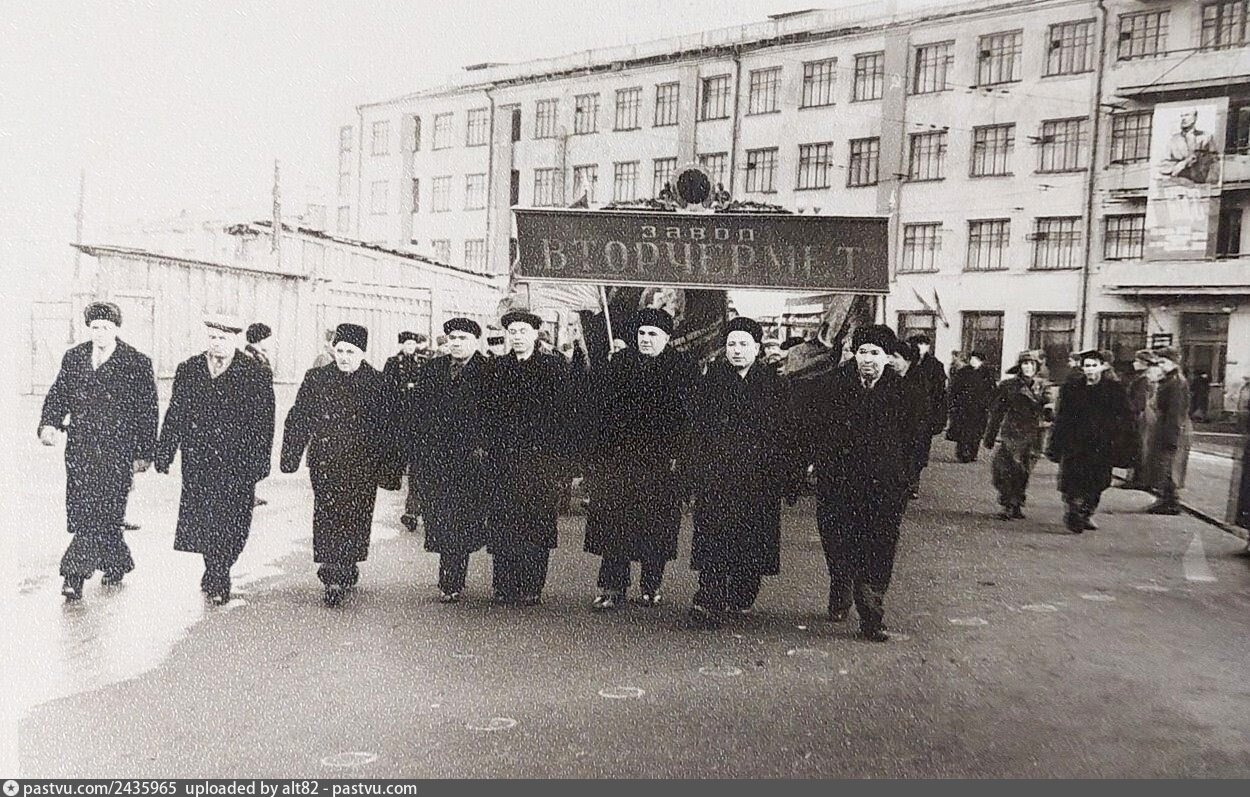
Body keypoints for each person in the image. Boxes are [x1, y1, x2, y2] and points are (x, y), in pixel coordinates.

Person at [798, 324, 922, 642]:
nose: (867, 359)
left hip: (884, 485)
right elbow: (811, 427)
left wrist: (906, 477)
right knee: (837, 540)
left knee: (879, 545)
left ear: (887, 356)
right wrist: (814, 460)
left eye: (875, 353)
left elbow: (916, 439)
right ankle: (840, 583)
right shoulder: (832, 385)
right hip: (838, 482)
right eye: (862, 352)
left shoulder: (905, 392)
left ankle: (871, 611)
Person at [39, 301, 159, 601]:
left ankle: (73, 575)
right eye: (95, 328)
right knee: (88, 510)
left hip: (118, 452)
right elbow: (59, 394)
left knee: (102, 512)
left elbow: (148, 411)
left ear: (116, 328)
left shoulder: (136, 362)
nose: (100, 333)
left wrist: (144, 452)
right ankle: (117, 562)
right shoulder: (75, 357)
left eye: (106, 327)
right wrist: (49, 424)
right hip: (80, 450)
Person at [154, 316, 275, 605]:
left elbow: (264, 422)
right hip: (199, 459)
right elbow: (176, 412)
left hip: (238, 462)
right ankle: (217, 570)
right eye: (212, 337)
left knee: (233, 521)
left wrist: (260, 461)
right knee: (205, 518)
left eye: (223, 338)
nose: (216, 343)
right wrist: (165, 450)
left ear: (235, 340)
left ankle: (222, 566)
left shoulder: (254, 372)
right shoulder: (190, 369)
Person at [280, 323, 402, 606]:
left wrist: (390, 469)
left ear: (362, 353)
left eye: (350, 352)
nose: (344, 357)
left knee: (356, 516)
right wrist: (291, 456)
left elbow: (392, 428)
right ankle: (331, 573)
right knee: (327, 514)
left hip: (363, 465)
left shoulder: (378, 382)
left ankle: (347, 562)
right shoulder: (317, 378)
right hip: (326, 462)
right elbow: (299, 417)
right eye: (340, 351)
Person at [584, 308, 697, 612]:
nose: (646, 339)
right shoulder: (619, 363)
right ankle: (612, 586)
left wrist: (680, 455)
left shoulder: (682, 368)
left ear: (667, 338)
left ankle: (651, 585)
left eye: (653, 334)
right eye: (642, 333)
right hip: (620, 459)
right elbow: (601, 410)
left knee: (656, 525)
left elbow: (689, 419)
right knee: (615, 524)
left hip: (661, 461)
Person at [687, 316, 796, 628]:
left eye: (743, 344)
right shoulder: (710, 383)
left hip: (758, 479)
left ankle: (742, 592)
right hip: (718, 476)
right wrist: (694, 472)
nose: (736, 350)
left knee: (751, 539)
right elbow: (696, 430)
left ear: (757, 348)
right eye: (731, 344)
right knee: (714, 536)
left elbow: (786, 434)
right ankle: (708, 597)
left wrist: (787, 477)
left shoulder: (774, 385)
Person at [483, 309, 570, 605]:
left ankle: (532, 585)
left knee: (536, 522)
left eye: (523, 331)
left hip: (539, 460)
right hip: (505, 459)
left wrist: (559, 459)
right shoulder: (496, 368)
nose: (517, 337)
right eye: (513, 332)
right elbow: (487, 412)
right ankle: (504, 584)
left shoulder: (553, 368)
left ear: (535, 334)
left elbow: (563, 415)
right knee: (504, 522)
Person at [411, 318, 492, 602]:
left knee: (462, 519)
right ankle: (450, 577)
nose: (456, 343)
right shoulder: (433, 369)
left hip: (471, 460)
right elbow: (417, 411)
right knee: (441, 517)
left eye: (463, 338)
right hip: (437, 459)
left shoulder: (488, 372)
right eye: (453, 338)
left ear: (476, 342)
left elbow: (495, 414)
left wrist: (483, 445)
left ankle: (453, 579)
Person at [1046, 350, 1135, 533]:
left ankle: (1086, 512)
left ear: (1102, 367)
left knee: (1098, 480)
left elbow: (1125, 417)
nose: (1090, 369)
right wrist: (1056, 442)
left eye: (1094, 365)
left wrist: (1122, 440)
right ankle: (1073, 510)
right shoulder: (1071, 388)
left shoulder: (1114, 390)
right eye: (1087, 366)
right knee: (1072, 479)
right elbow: (1062, 416)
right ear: (1082, 368)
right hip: (1075, 442)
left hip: (1101, 444)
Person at [983, 350, 1048, 521]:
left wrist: (1048, 409)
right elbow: (997, 412)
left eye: (1032, 364)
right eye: (1025, 364)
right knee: (1003, 469)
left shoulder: (1043, 387)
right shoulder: (1008, 386)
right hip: (1012, 432)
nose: (1028, 367)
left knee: (1023, 471)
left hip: (1034, 434)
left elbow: (1051, 412)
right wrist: (990, 436)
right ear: (1020, 366)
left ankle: (1016, 503)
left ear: (1037, 367)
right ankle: (1007, 503)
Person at [385, 331, 430, 531]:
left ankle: (414, 510)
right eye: (407, 344)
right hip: (401, 418)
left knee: (418, 467)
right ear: (402, 345)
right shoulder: (393, 362)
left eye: (413, 344)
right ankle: (412, 508)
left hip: (420, 421)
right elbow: (387, 389)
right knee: (408, 463)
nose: (410, 347)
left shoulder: (423, 362)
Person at [1143, 347, 1191, 515]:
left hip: (1172, 427)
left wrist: (1172, 437)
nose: (1160, 366)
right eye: (1159, 362)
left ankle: (1171, 502)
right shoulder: (1169, 380)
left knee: (1169, 466)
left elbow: (1175, 412)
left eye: (1163, 362)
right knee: (1162, 465)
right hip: (1165, 425)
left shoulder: (1176, 382)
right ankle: (1165, 499)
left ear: (1174, 363)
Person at [906, 334, 948, 498]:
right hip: (907, 414)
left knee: (920, 451)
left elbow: (940, 395)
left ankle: (913, 483)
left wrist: (939, 419)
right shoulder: (905, 362)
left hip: (926, 416)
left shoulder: (935, 365)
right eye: (918, 344)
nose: (921, 347)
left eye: (924, 344)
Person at [241, 321, 275, 507]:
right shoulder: (249, 358)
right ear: (260, 339)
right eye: (268, 338)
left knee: (258, 453)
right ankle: (245, 494)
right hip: (254, 415)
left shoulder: (259, 356)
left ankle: (250, 492)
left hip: (263, 413)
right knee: (250, 453)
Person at [947, 351, 997, 463]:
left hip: (980, 409)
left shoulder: (987, 374)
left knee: (976, 432)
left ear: (981, 361)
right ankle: (962, 453)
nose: (973, 361)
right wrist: (953, 403)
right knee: (963, 431)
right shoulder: (963, 372)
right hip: (964, 407)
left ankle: (973, 452)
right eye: (972, 359)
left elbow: (992, 391)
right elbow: (954, 388)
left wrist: (988, 403)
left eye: (976, 359)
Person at [1121, 350, 1161, 491]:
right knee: (1141, 446)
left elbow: (1139, 402)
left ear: (1144, 363)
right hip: (1146, 414)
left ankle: (1139, 479)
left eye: (1137, 361)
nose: (1134, 363)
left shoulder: (1143, 379)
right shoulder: (1146, 377)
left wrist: (1127, 410)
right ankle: (1138, 478)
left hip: (1141, 416)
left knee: (1140, 446)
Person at [1161, 108, 1219, 185]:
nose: (1183, 118)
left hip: (1201, 184)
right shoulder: (1173, 140)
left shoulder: (1206, 137)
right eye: (1182, 116)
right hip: (1180, 184)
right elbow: (1164, 165)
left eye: (1187, 115)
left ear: (1195, 117)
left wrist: (1210, 184)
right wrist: (1178, 166)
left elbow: (1214, 161)